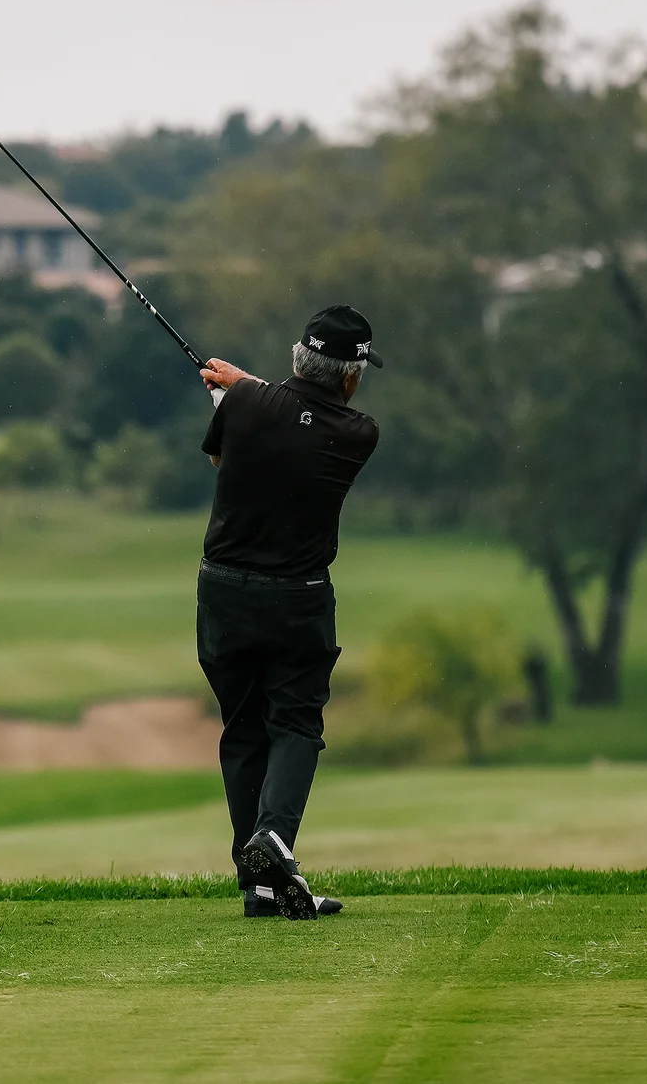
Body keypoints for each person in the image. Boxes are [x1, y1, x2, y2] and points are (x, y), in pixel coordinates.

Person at [194, 304, 382, 920]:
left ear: (299, 356)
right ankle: (273, 841)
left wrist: (233, 396)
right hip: (296, 598)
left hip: (222, 592)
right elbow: (298, 422)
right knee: (296, 725)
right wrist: (244, 390)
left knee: (243, 730)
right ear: (349, 375)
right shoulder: (358, 433)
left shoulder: (246, 404)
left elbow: (230, 460)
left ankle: (262, 890)